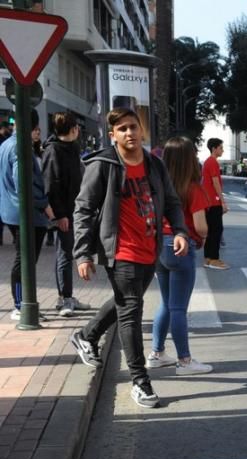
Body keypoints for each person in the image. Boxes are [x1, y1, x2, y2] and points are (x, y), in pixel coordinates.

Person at [70, 107, 189, 408]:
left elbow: (172, 202)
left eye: (133, 127)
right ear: (113, 135)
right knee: (132, 311)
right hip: (120, 250)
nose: (129, 133)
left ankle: (87, 335)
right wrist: (83, 253)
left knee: (127, 301)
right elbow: (83, 210)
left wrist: (179, 231)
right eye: (122, 128)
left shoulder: (154, 165)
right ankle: (140, 380)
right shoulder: (103, 165)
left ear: (141, 130)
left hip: (150, 250)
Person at [147, 135, 212, 375]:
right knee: (178, 308)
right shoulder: (192, 187)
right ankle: (184, 361)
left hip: (158, 247)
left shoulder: (159, 185)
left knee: (166, 302)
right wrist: (204, 235)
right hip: (181, 245)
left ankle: (156, 353)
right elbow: (201, 225)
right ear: (189, 160)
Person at [1, 113, 57, 321]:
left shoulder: (6, 144)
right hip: (26, 212)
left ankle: (21, 303)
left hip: (12, 210)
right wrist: (44, 205)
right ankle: (20, 305)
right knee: (24, 260)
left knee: (24, 259)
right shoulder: (19, 147)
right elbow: (23, 181)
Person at [42, 111, 89, 317]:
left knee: (67, 253)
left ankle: (66, 295)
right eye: (77, 128)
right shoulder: (54, 151)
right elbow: (51, 185)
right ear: (73, 130)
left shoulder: (71, 148)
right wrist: (59, 215)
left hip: (73, 210)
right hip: (64, 213)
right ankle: (65, 298)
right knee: (64, 254)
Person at [201, 138, 230, 270]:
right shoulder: (212, 162)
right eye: (220, 148)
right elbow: (215, 182)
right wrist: (222, 201)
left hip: (209, 201)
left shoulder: (209, 162)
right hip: (213, 201)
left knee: (211, 230)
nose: (222, 150)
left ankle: (208, 258)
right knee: (216, 231)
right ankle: (214, 259)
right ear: (214, 148)